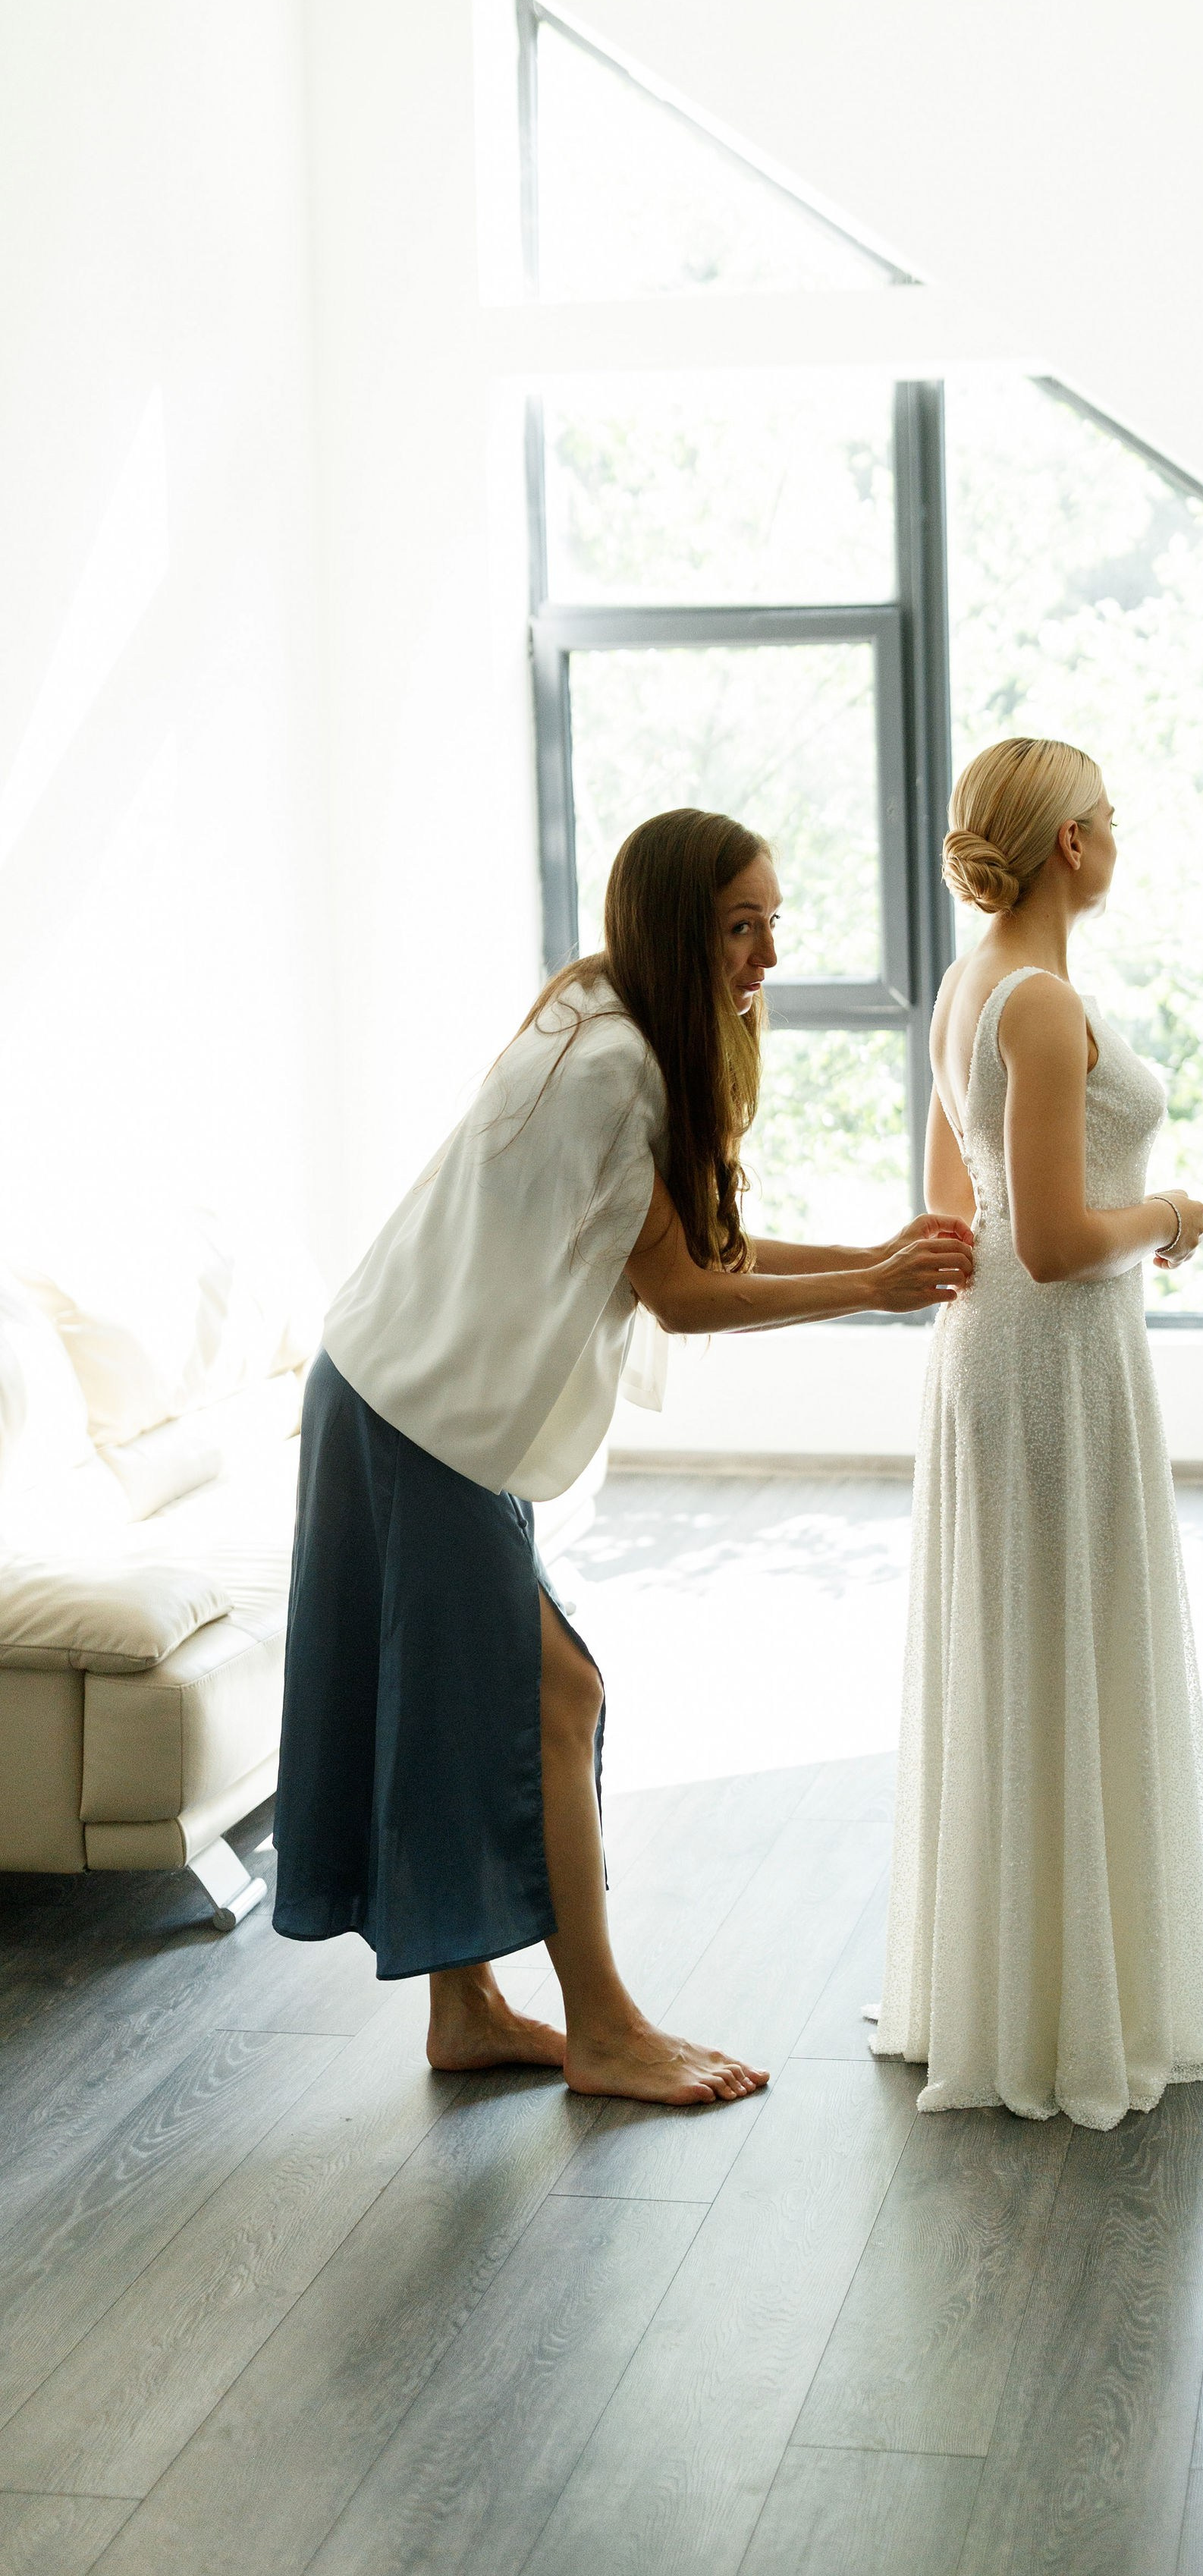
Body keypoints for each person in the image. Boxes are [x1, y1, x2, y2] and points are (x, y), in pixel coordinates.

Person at [275, 807, 972, 2106]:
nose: (765, 957)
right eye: (739, 928)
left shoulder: (606, 1014)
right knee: (555, 1696)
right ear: (672, 928)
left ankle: (471, 2008)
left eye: (773, 924)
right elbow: (686, 1294)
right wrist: (873, 1286)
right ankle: (600, 2028)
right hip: (416, 1416)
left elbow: (699, 1252)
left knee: (478, 1702)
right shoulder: (614, 1067)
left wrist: (879, 1261)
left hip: (412, 1398)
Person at [871, 738, 1203, 2128]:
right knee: (1067, 1641)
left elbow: (949, 1213)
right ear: (1069, 848)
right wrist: (1169, 1216)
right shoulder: (1038, 1004)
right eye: (1108, 812)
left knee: (1019, 1647)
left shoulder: (967, 988)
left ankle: (1007, 1982)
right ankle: (1068, 2010)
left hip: (989, 1360)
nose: (1119, 828)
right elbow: (1045, 1244)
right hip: (1056, 1362)